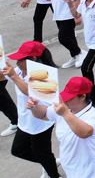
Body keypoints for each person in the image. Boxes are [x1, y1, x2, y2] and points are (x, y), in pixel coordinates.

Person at [28, 76, 95, 178]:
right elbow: (43, 114)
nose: (65, 100)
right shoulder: (66, 107)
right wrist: (34, 107)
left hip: (90, 170)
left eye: (70, 97)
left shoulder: (92, 115)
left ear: (82, 97)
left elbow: (85, 132)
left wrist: (65, 113)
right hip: (71, 167)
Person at [2, 41, 60, 178]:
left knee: (42, 153)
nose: (17, 62)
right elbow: (4, 75)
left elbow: (32, 91)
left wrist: (14, 77)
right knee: (18, 150)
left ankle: (53, 173)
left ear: (33, 59)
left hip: (41, 122)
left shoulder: (44, 74)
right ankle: (49, 163)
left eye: (21, 59)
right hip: (25, 122)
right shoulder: (20, 71)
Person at [41, 0, 86, 69]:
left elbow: (77, 0)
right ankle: (74, 56)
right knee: (70, 37)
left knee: (63, 38)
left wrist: (77, 16)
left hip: (68, 15)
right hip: (58, 16)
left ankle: (80, 53)